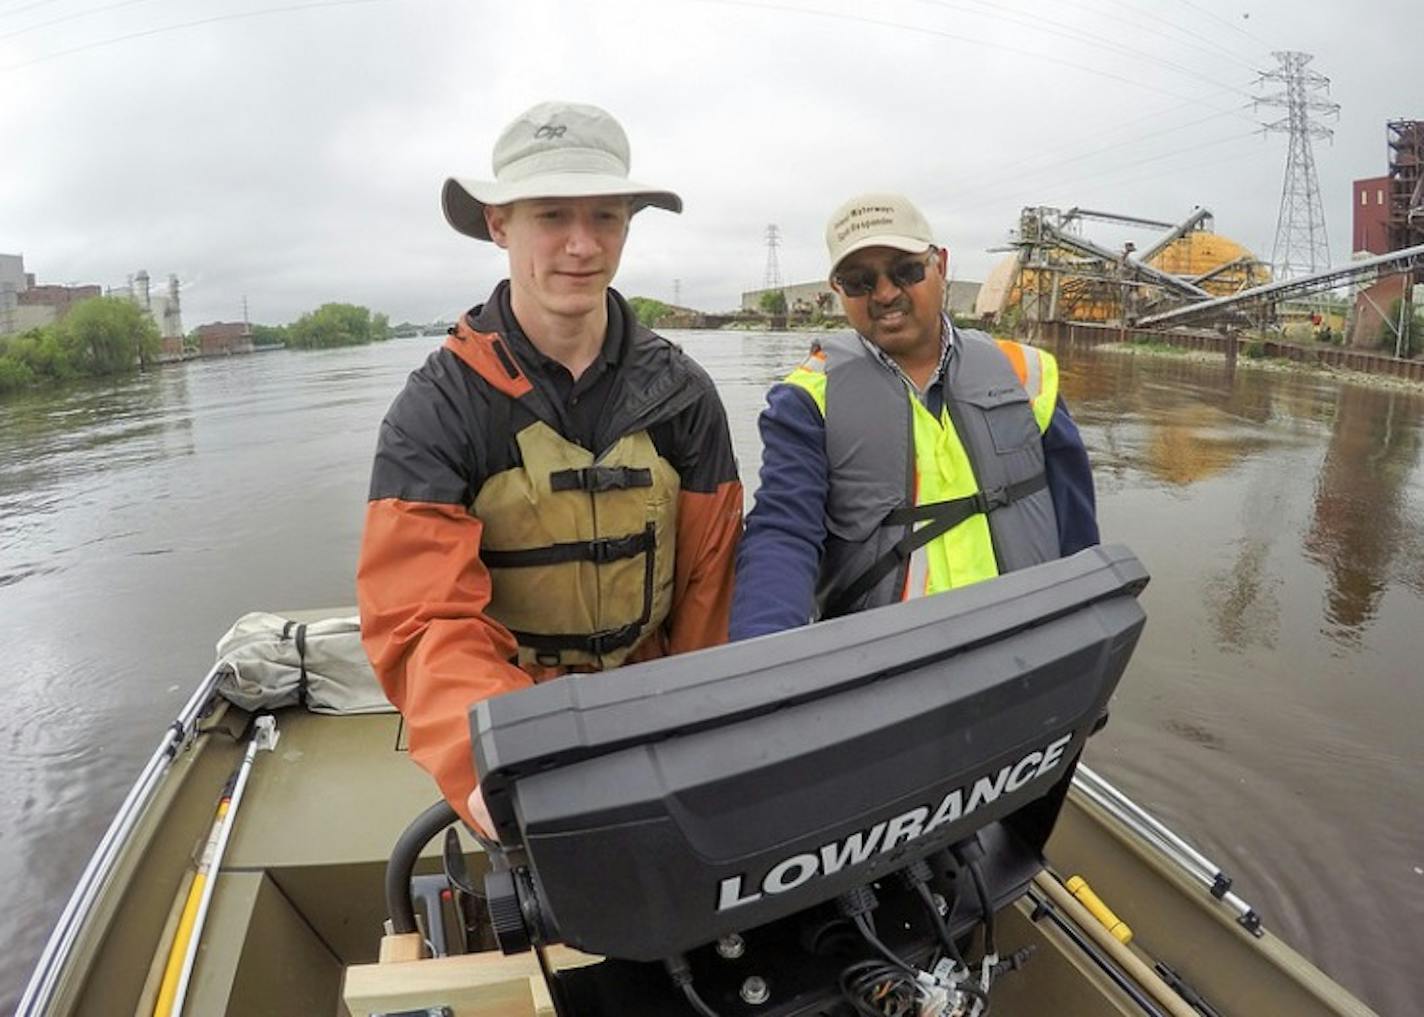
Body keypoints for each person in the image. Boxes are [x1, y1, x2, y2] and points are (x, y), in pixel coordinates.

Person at [357, 102, 743, 833]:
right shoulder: (436, 409)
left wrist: (699, 731)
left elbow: (708, 590)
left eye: (605, 216)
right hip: (515, 736)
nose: (580, 244)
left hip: (652, 714)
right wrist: (501, 760)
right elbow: (424, 619)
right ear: (499, 224)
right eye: (552, 215)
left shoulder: (685, 394)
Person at [730, 193, 1098, 639]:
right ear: (837, 291)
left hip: (1027, 645)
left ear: (940, 265)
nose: (885, 293)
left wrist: (1090, 637)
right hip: (890, 670)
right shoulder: (805, 401)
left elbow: (1077, 524)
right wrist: (765, 659)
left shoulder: (1028, 374)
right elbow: (783, 534)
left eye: (906, 271)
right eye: (859, 281)